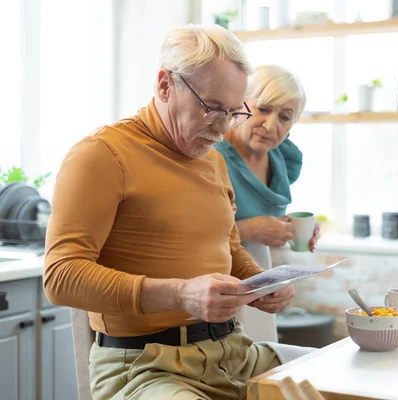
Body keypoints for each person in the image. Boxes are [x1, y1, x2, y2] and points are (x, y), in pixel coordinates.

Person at [43, 24, 309, 400]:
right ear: (166, 84)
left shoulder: (212, 160)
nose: (222, 127)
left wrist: (261, 284)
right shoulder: (101, 155)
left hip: (234, 354)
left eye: (234, 112)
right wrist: (181, 294)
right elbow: (60, 277)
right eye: (213, 108)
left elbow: (230, 250)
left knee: (347, 381)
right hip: (144, 368)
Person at [214, 65, 318, 343]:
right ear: (241, 104)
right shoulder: (211, 155)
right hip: (216, 273)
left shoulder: (282, 156)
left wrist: (287, 228)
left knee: (259, 353)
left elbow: (265, 212)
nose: (272, 126)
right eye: (263, 109)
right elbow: (190, 232)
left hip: (261, 269)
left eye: (285, 117)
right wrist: (249, 230)